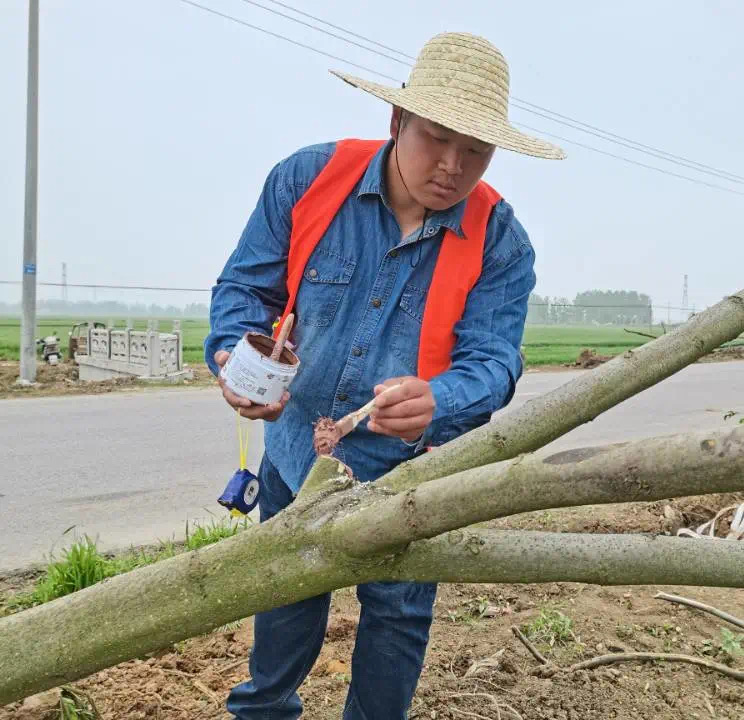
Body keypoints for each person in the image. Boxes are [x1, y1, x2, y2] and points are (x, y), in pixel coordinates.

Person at [204, 31, 564, 720]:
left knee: (396, 616)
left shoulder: (502, 242)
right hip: (294, 452)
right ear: (397, 122)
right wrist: (234, 358)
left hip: (411, 473)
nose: (453, 167)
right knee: (285, 592)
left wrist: (440, 399)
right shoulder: (307, 180)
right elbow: (246, 291)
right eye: (437, 138)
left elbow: (495, 363)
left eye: (476, 151)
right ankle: (265, 710)